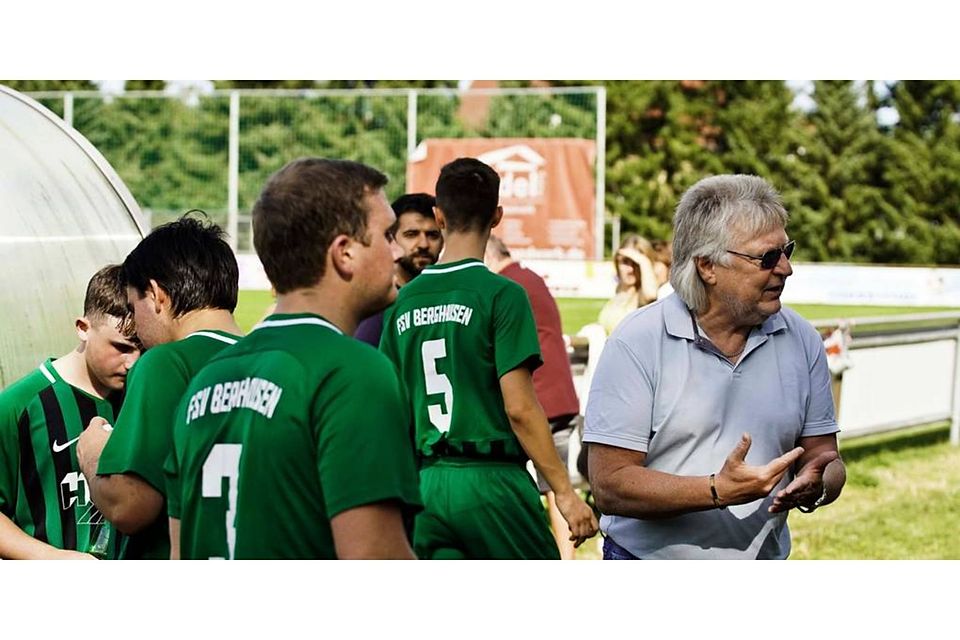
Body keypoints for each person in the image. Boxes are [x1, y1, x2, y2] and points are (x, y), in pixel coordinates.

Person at [165, 158, 422, 559]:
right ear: (345, 253)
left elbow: (180, 555)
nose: (399, 251)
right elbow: (373, 557)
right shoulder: (352, 371)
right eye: (387, 234)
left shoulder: (207, 380)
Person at [583, 174, 846, 560]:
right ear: (707, 266)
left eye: (786, 250)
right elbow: (609, 485)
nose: (786, 268)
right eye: (767, 258)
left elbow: (826, 458)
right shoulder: (638, 341)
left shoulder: (801, 339)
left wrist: (819, 483)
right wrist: (717, 490)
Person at [380, 157, 597, 559]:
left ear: (439, 216)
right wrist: (565, 494)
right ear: (497, 216)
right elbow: (519, 407)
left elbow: (391, 408)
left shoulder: (401, 302)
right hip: (491, 481)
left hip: (425, 483)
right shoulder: (502, 294)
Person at [77, 216, 243, 560]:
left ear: (156, 296)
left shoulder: (166, 362)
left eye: (134, 305)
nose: (136, 323)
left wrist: (91, 452)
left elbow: (129, 506)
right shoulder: (271, 358)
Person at [0, 264, 140, 559]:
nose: (132, 363)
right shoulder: (19, 405)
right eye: (121, 347)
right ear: (83, 328)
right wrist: (54, 559)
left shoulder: (144, 398)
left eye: (141, 347)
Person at [484, 234, 582, 560]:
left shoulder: (508, 286)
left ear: (489, 255)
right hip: (560, 398)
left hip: (541, 403)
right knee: (556, 487)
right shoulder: (530, 278)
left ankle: (563, 559)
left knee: (553, 488)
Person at [355, 193, 443, 347]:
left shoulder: (448, 300)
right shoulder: (376, 303)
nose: (423, 244)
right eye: (411, 234)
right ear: (391, 239)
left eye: (432, 235)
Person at [596, 234, 660, 335]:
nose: (630, 269)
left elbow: (651, 294)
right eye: (625, 262)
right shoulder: (619, 291)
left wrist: (642, 260)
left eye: (635, 264)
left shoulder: (641, 297)